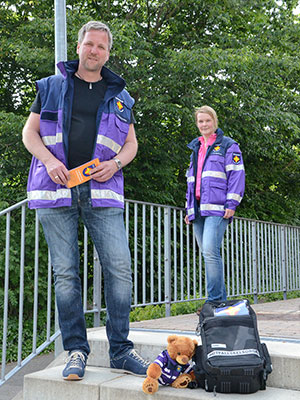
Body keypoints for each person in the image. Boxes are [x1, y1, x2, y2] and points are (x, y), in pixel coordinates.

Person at [22, 21, 150, 380]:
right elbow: (30, 133)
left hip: (103, 191)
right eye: (89, 44)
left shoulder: (120, 96)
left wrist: (116, 163)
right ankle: (76, 350)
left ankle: (122, 351)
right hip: (56, 189)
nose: (95, 51)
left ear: (108, 53)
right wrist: (49, 160)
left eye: (102, 47)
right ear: (78, 47)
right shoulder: (51, 86)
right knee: (66, 275)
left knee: (120, 269)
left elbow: (131, 144)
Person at [185, 105, 245, 302]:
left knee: (210, 251)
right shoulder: (196, 147)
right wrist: (189, 208)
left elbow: (236, 175)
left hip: (218, 208)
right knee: (207, 253)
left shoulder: (228, 145)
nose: (204, 124)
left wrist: (232, 203)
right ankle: (220, 301)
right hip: (199, 209)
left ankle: (215, 300)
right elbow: (191, 180)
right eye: (200, 121)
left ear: (214, 122)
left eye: (207, 120)